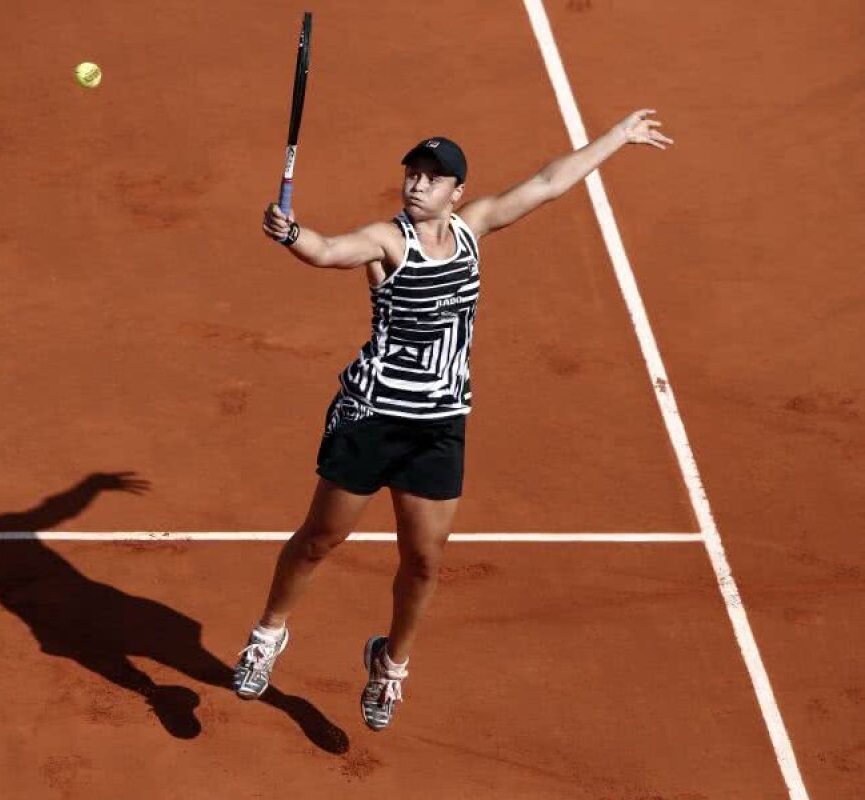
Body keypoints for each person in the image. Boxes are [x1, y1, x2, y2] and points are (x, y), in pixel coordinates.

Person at [232, 109, 673, 731]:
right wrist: (289, 232)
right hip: (373, 417)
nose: (418, 184)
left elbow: (548, 182)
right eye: (413, 174)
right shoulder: (388, 242)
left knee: (425, 561)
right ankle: (267, 635)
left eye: (433, 178)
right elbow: (329, 251)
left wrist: (617, 138)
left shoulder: (473, 227)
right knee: (320, 541)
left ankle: (389, 668)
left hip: (439, 426)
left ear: (456, 193)